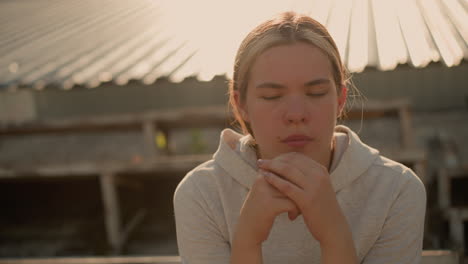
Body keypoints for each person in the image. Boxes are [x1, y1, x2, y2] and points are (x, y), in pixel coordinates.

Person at [173, 11, 426, 264]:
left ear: (340, 99)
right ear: (242, 106)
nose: (296, 115)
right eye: (272, 96)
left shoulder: (395, 191)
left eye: (316, 93)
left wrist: (334, 235)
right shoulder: (202, 194)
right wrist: (248, 240)